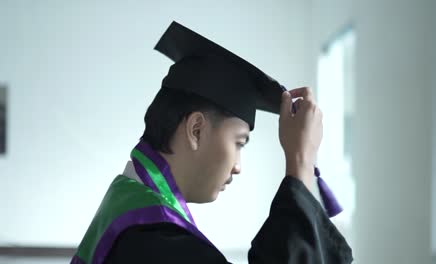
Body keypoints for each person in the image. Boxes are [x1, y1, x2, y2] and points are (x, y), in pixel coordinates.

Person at [71, 21, 353, 264]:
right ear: (196, 130)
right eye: (239, 143)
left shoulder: (127, 211)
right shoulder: (152, 239)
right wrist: (300, 160)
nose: (238, 167)